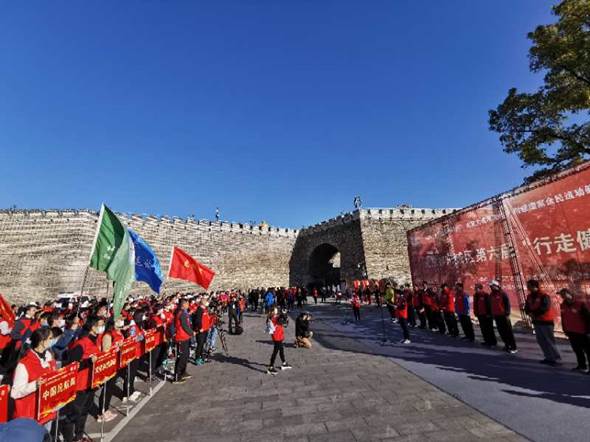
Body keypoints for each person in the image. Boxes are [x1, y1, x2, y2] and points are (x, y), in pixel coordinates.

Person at [61, 316, 104, 442]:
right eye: (100, 325)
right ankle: (70, 438)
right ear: (92, 327)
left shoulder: (95, 341)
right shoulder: (81, 343)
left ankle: (79, 435)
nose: (102, 327)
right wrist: (88, 362)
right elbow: (72, 364)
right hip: (80, 385)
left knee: (84, 411)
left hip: (90, 383)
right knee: (74, 414)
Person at [11, 328, 57, 427]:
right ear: (41, 341)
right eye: (50, 338)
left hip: (47, 411)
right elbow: (15, 393)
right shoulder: (24, 364)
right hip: (30, 415)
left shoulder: (50, 357)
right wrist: (35, 385)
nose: (52, 340)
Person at [524, 279, 560, 364]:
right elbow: (527, 307)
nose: (528, 288)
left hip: (546, 321)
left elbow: (545, 307)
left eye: (529, 286)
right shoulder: (529, 296)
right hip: (537, 322)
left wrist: (534, 314)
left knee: (549, 340)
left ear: (534, 286)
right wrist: (529, 312)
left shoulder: (544, 296)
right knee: (541, 340)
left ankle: (554, 358)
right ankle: (548, 357)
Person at [558, 288, 590, 372]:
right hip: (571, 331)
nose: (563, 296)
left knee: (588, 351)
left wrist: (588, 331)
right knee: (577, 350)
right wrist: (565, 329)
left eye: (564, 294)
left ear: (570, 294)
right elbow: (563, 318)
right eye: (561, 295)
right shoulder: (562, 305)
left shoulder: (580, 304)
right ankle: (582, 366)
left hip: (582, 331)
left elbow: (587, 318)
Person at [489, 280, 517, 353]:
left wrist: (507, 314)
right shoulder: (491, 295)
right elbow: (490, 305)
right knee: (501, 331)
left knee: (508, 332)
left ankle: (513, 347)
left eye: (492, 286)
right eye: (491, 286)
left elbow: (507, 304)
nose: (491, 287)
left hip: (504, 316)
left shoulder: (503, 294)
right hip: (496, 316)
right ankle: (507, 345)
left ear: (497, 286)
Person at [266, 308, 292, 375]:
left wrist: (285, 315)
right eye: (275, 310)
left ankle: (284, 363)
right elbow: (281, 321)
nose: (276, 311)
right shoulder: (272, 319)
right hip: (277, 337)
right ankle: (270, 367)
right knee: (275, 352)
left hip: (279, 336)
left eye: (276, 310)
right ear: (271, 312)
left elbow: (285, 323)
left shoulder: (275, 317)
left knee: (281, 349)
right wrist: (284, 314)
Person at [173, 298, 193, 384]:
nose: (188, 305)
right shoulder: (181, 313)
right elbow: (185, 326)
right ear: (183, 304)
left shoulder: (184, 312)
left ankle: (183, 372)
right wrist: (192, 333)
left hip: (186, 337)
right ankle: (177, 377)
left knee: (186, 356)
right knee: (181, 357)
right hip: (181, 337)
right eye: (187, 303)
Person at [192, 297, 212, 365]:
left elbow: (206, 319)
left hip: (205, 329)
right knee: (199, 345)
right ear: (203, 303)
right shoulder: (199, 310)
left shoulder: (205, 309)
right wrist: (200, 328)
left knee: (202, 344)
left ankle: (201, 357)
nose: (207, 303)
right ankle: (197, 358)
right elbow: (197, 320)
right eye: (206, 301)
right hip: (201, 331)